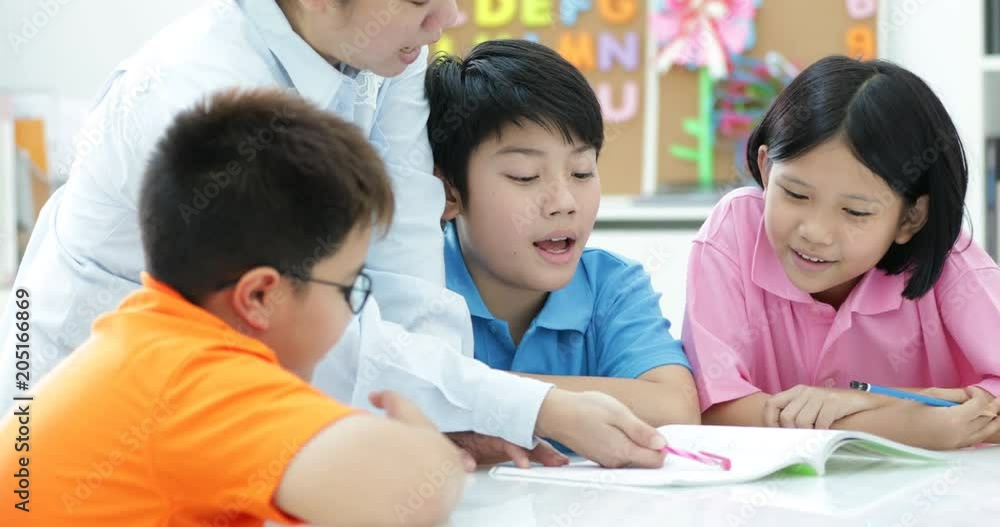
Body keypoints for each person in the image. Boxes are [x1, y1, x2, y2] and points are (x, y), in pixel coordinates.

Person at [0, 0, 668, 467]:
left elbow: (408, 261)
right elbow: (310, 325)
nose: (450, 17)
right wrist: (524, 404)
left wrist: (439, 419)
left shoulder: (388, 52)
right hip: (79, 396)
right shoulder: (201, 93)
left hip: (223, 393)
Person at [0, 89, 466, 526]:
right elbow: (408, 495)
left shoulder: (149, 339)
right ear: (260, 296)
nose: (350, 315)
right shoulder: (198, 378)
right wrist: (434, 451)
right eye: (348, 289)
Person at [682, 55, 1000, 450]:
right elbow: (716, 409)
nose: (815, 233)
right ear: (766, 169)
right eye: (795, 194)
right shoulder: (733, 231)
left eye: (855, 211)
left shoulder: (952, 265)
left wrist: (857, 403)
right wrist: (902, 424)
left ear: (911, 218)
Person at [426, 40, 699, 460]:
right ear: (448, 191)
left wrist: (475, 395)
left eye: (581, 171)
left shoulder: (611, 285)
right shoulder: (416, 282)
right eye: (525, 175)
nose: (564, 200)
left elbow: (675, 409)